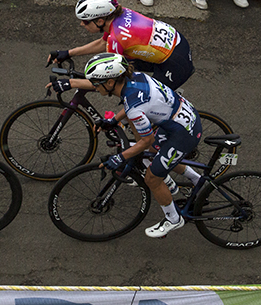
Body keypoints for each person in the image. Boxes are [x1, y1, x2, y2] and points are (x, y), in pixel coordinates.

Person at [51, 53, 204, 237]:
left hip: (183, 134)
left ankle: (173, 219)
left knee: (152, 178)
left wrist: (120, 157)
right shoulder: (135, 78)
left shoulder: (134, 109)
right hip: (181, 119)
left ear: (110, 83)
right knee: (155, 153)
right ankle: (197, 180)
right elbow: (133, 104)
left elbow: (145, 139)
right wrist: (113, 121)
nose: (94, 87)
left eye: (96, 83)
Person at [48, 0, 194, 91]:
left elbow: (108, 82)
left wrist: (71, 83)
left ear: (100, 21)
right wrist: (68, 53)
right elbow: (102, 43)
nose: (81, 24)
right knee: (125, 68)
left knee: (137, 100)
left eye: (85, 21)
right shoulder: (120, 15)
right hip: (176, 43)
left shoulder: (116, 38)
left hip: (175, 63)